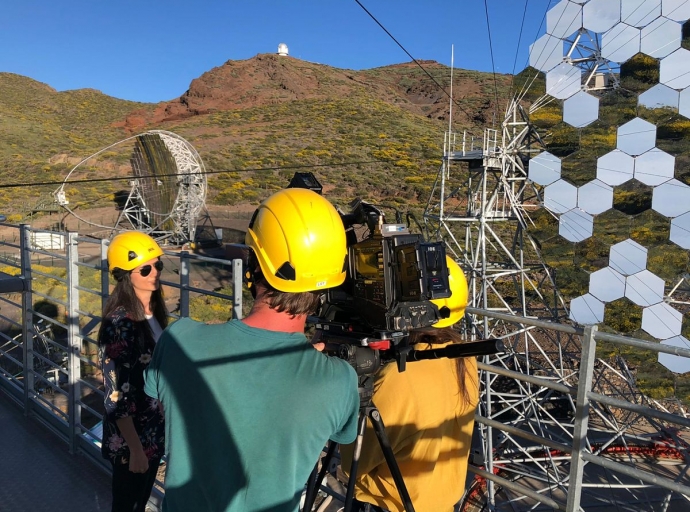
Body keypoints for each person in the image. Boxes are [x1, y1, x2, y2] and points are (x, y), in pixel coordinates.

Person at [144, 188, 360, 512]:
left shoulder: (179, 340)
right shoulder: (338, 380)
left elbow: (156, 393)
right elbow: (344, 434)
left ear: (253, 264)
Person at [340, 256, 479, 512]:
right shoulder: (464, 359)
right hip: (441, 503)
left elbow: (353, 464)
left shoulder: (400, 376)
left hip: (393, 504)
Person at [99, 231, 169, 512]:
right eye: (146, 268)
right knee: (127, 506)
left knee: (138, 504)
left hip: (152, 431)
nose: (155, 273)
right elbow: (114, 394)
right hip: (133, 440)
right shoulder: (119, 323)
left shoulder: (153, 314)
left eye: (158, 265)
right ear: (125, 275)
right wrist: (136, 449)